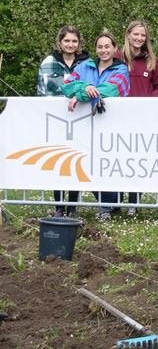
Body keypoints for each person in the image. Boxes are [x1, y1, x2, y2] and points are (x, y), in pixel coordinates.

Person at [62, 30, 130, 221]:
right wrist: (84, 87)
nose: (103, 50)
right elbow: (66, 85)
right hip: (84, 126)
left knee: (107, 163)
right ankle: (108, 203)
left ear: (114, 48)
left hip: (111, 125)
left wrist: (81, 94)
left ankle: (108, 206)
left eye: (107, 46)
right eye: (100, 47)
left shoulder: (121, 69)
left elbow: (111, 90)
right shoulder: (85, 66)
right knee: (86, 162)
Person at [38, 26, 89, 216]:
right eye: (67, 41)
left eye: (74, 41)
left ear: (79, 43)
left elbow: (90, 86)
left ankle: (72, 206)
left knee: (77, 161)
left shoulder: (86, 63)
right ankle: (59, 207)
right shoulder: (48, 63)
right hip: (56, 120)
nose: (70, 44)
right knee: (58, 161)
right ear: (60, 42)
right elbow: (41, 91)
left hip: (80, 118)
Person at [120, 20, 158, 216]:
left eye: (143, 35)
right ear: (128, 34)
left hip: (143, 118)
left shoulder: (152, 61)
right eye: (136, 34)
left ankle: (134, 202)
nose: (139, 38)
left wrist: (149, 101)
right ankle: (112, 203)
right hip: (118, 117)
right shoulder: (117, 58)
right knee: (117, 160)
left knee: (136, 161)